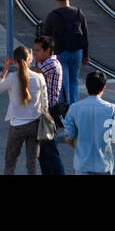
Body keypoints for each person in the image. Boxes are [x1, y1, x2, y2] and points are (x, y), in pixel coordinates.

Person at [0, 45, 48, 175]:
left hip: (17, 125)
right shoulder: (39, 77)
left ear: (14, 61)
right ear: (29, 58)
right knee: (32, 163)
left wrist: (4, 72)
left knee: (10, 162)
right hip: (35, 124)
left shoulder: (12, 77)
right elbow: (45, 103)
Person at [62, 70, 115, 175]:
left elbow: (69, 136)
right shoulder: (112, 109)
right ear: (103, 88)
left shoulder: (74, 108)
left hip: (82, 165)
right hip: (104, 165)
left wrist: (74, 144)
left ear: (86, 86)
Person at [44, 0, 89, 104]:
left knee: (63, 84)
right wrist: (85, 55)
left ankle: (65, 111)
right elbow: (85, 35)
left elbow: (46, 37)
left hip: (60, 52)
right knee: (74, 82)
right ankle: (74, 108)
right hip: (77, 52)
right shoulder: (79, 13)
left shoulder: (52, 16)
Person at [32, 36, 66, 175]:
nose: (35, 53)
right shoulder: (44, 63)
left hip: (48, 112)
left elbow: (32, 74)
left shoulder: (51, 64)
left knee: (50, 150)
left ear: (48, 51)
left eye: (38, 50)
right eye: (34, 50)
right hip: (42, 111)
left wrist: (22, 65)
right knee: (42, 152)